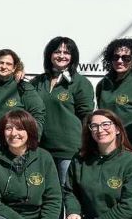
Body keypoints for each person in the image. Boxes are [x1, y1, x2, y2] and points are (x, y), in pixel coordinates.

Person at [31, 37, 95, 184]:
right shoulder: (37, 82)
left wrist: (87, 146)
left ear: (73, 57)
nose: (61, 55)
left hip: (69, 151)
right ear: (49, 55)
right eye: (57, 51)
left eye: (66, 52)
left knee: (66, 191)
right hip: (40, 148)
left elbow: (87, 117)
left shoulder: (80, 83)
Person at [0, 49, 44, 159]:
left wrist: (33, 141)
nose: (4, 67)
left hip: (17, 148)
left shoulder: (23, 87)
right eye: (0, 63)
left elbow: (38, 114)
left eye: (8, 64)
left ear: (14, 68)